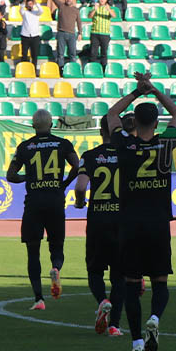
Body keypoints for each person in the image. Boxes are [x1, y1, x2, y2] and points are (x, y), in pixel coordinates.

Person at [110, 72, 176, 351]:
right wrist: (153, 90)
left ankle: (137, 342)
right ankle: (155, 318)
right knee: (160, 281)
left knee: (131, 284)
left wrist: (137, 92)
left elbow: (111, 113)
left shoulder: (124, 144)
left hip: (129, 222)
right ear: (156, 122)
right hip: (158, 221)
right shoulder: (166, 142)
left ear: (135, 122)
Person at [5, 108, 79, 310]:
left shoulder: (25, 146)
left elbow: (10, 175)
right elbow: (78, 165)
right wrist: (64, 184)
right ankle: (56, 267)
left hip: (34, 202)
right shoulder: (63, 144)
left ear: (33, 125)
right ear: (52, 124)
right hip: (55, 200)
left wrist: (27, 178)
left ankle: (39, 299)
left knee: (33, 252)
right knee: (57, 246)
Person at [73, 120, 125, 336]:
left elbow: (81, 186)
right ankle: (114, 325)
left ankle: (102, 300)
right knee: (119, 276)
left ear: (101, 131)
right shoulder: (127, 154)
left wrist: (79, 202)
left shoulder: (91, 155)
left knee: (95, 270)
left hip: (98, 220)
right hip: (122, 221)